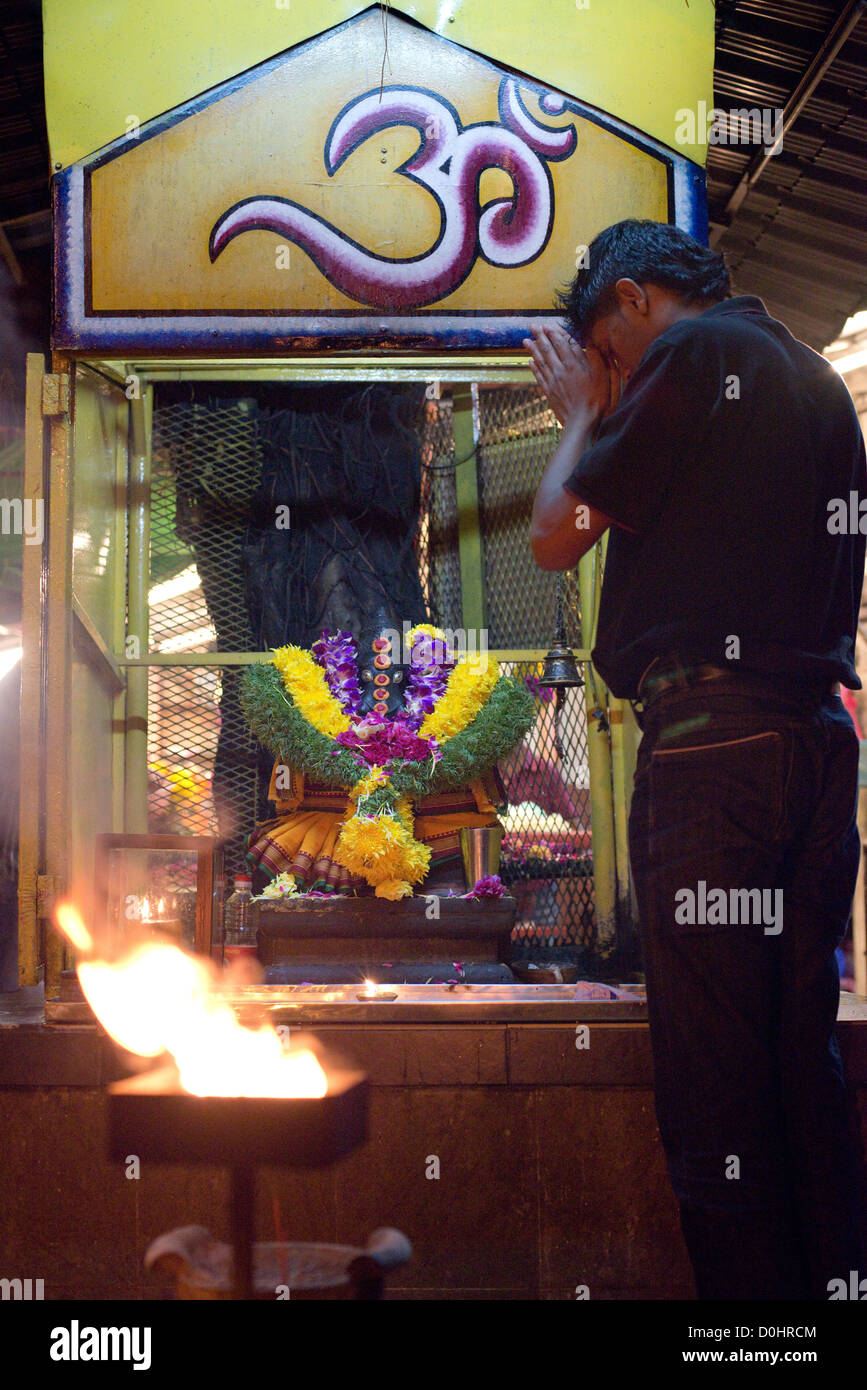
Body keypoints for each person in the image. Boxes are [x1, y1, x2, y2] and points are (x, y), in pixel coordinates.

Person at [526, 218, 867, 1301]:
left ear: (632, 302)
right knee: (798, 1071)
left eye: (609, 354)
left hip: (714, 756)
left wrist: (579, 415)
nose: (614, 381)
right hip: (816, 751)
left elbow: (553, 534)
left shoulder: (690, 353)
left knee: (716, 1092)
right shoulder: (816, 379)